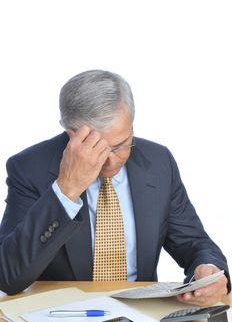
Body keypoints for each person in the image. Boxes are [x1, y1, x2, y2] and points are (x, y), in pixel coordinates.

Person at [0, 70, 230, 305]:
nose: (111, 161)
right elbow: (9, 276)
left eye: (121, 144)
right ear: (71, 136)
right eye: (97, 148)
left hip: (141, 315)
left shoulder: (159, 162)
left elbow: (194, 242)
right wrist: (65, 191)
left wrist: (208, 270)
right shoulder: (29, 168)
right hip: (62, 315)